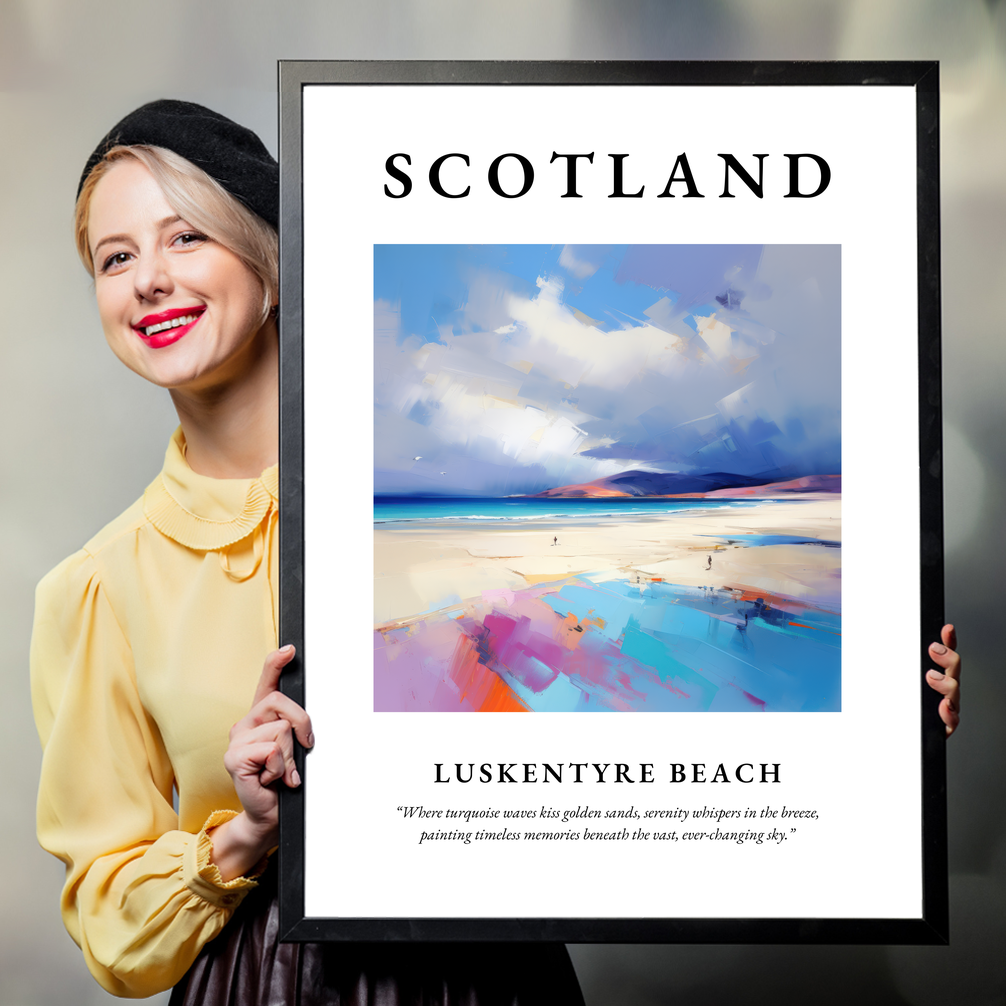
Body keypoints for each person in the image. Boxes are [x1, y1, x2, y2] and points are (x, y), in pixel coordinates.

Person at [30, 100, 585, 1004]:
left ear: (273, 264)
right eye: (116, 257)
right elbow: (110, 923)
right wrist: (245, 832)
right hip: (263, 982)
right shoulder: (97, 587)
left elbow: (604, 701)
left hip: (491, 973)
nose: (148, 281)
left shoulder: (451, 497)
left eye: (186, 239)